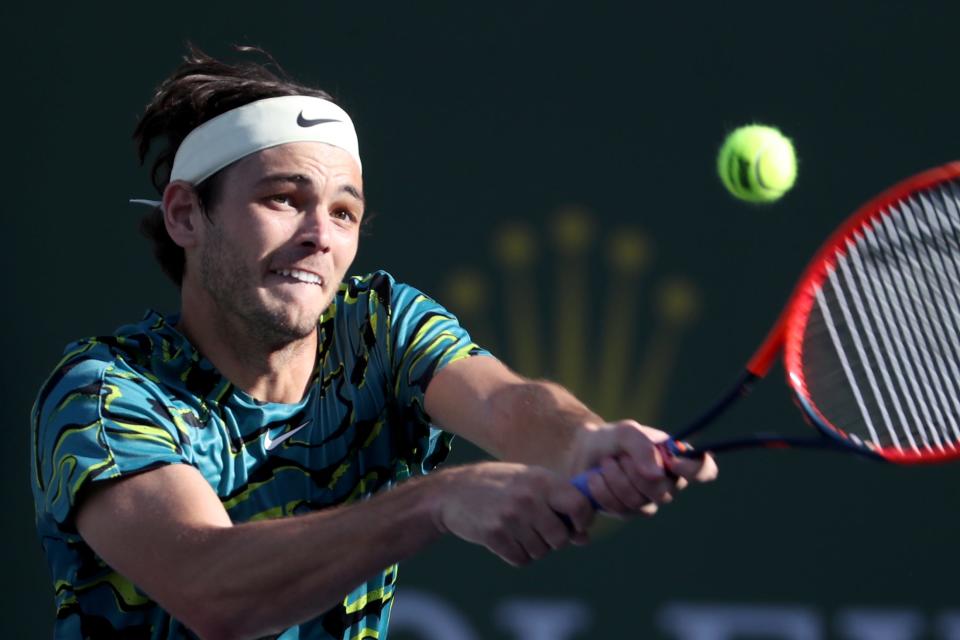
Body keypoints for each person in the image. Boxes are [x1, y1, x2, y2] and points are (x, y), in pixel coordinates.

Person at [30, 46, 717, 640]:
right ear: (185, 215)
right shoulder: (103, 391)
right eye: (282, 198)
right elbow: (215, 591)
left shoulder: (380, 325)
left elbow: (509, 403)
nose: (320, 235)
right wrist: (433, 502)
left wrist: (584, 443)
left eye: (344, 212)